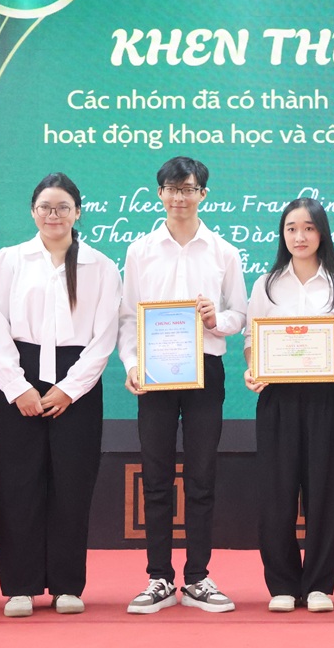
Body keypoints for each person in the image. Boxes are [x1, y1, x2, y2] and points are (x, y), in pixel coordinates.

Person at [0, 172, 122, 618]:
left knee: (72, 484)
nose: (54, 215)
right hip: (18, 378)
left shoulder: (101, 266)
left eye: (63, 207)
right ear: (33, 211)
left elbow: (104, 337)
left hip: (77, 384)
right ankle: (20, 586)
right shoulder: (9, 260)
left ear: (77, 212)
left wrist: (70, 389)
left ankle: (66, 585)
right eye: (45, 207)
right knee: (18, 484)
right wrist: (16, 387)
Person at [119, 157, 247, 616]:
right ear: (160, 194)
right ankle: (158, 576)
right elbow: (129, 317)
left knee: (201, 476)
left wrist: (217, 319)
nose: (179, 197)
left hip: (205, 372)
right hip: (154, 374)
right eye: (171, 189)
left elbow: (240, 314)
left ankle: (196, 577)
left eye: (188, 189)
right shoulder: (139, 251)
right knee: (155, 477)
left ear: (202, 195)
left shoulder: (224, 252)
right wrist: (133, 363)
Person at [243, 198, 334, 614]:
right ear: (282, 235)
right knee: (277, 492)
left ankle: (319, 585)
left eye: (308, 228)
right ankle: (283, 585)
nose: (300, 236)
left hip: (325, 397)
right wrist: (253, 368)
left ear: (321, 234)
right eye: (291, 228)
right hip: (277, 398)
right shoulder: (266, 284)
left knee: (324, 491)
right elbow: (252, 340)